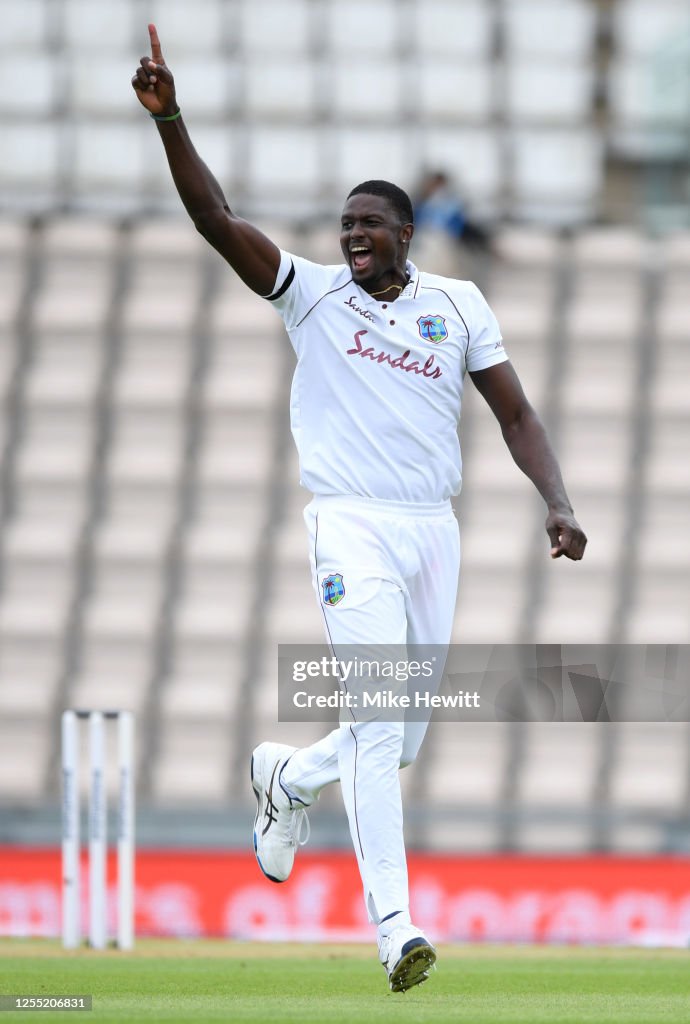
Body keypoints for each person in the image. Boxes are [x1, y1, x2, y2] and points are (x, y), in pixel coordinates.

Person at [132, 25, 587, 992]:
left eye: (368, 225)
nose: (351, 236)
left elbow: (516, 411)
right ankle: (395, 928)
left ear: (406, 234)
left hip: (434, 531)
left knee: (403, 740)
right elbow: (216, 219)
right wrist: (172, 119)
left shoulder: (459, 305)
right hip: (350, 522)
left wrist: (557, 501)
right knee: (380, 726)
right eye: (344, 224)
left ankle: (286, 778)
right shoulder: (312, 297)